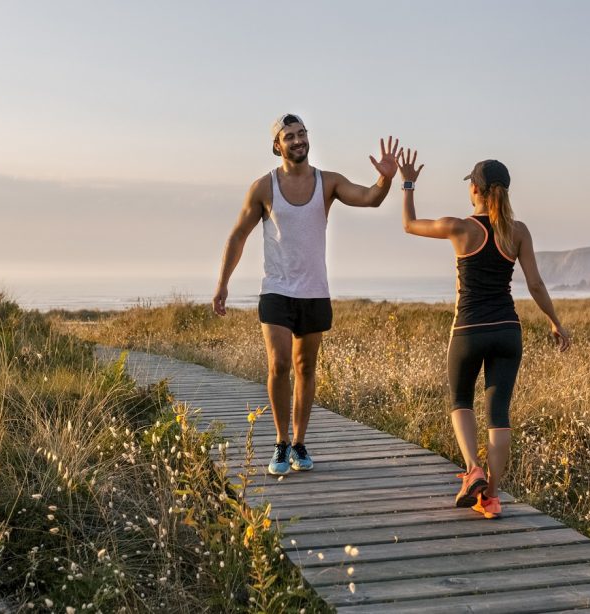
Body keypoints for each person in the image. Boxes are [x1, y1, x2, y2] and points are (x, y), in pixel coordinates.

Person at [212, 113, 401, 475]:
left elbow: (371, 198)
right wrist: (223, 283)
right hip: (277, 289)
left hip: (314, 291)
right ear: (276, 145)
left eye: (302, 134)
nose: (298, 140)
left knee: (305, 366)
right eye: (289, 136)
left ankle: (299, 442)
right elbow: (237, 236)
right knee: (279, 363)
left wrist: (385, 178)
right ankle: (281, 443)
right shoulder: (262, 188)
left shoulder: (327, 182)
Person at [396, 151, 571, 518]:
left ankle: (472, 469)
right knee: (499, 415)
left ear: (474, 189)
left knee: (460, 400)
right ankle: (490, 497)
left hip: (469, 330)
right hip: (508, 330)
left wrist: (408, 184)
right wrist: (555, 321)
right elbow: (535, 284)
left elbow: (409, 224)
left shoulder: (460, 227)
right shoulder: (518, 231)